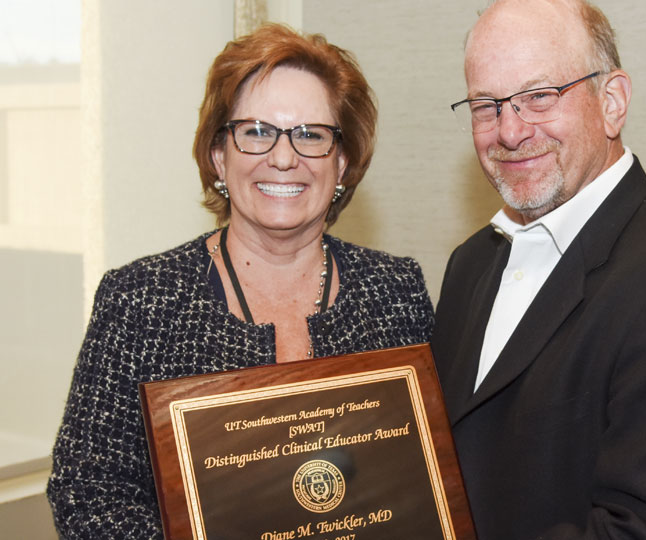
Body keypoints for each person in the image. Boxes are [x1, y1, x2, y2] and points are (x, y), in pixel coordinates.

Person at [47, 23, 434, 538]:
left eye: (311, 135)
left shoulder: (396, 292)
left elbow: (430, 476)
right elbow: (87, 491)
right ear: (217, 157)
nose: (282, 156)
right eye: (255, 132)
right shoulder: (139, 300)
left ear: (341, 162)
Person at [430, 1, 646, 538]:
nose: (510, 131)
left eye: (539, 96)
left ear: (611, 102)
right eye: (485, 105)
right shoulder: (469, 263)